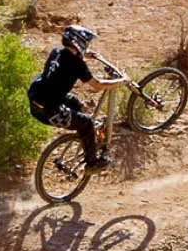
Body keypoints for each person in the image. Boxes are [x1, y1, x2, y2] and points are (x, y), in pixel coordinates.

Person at [29, 25, 128, 168]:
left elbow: (67, 60)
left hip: (36, 102)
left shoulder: (56, 52)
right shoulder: (77, 64)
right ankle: (92, 163)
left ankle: (83, 137)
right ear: (79, 42)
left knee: (74, 102)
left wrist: (86, 54)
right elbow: (97, 85)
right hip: (49, 111)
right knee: (87, 123)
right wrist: (121, 81)